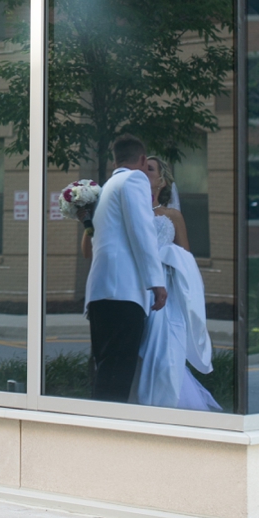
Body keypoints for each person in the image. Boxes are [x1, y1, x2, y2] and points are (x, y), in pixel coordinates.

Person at [84, 134, 167, 402]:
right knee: (117, 377)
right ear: (142, 160)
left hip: (100, 294)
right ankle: (105, 436)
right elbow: (142, 231)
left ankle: (97, 432)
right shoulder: (134, 180)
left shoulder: (107, 187)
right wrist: (157, 281)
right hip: (123, 293)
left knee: (106, 372)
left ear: (114, 159)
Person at [137, 156, 221, 411]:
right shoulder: (133, 211)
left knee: (165, 353)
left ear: (162, 181)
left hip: (165, 292)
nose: (143, 171)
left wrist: (165, 257)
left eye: (149, 169)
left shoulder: (172, 215)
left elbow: (185, 259)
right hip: (137, 287)